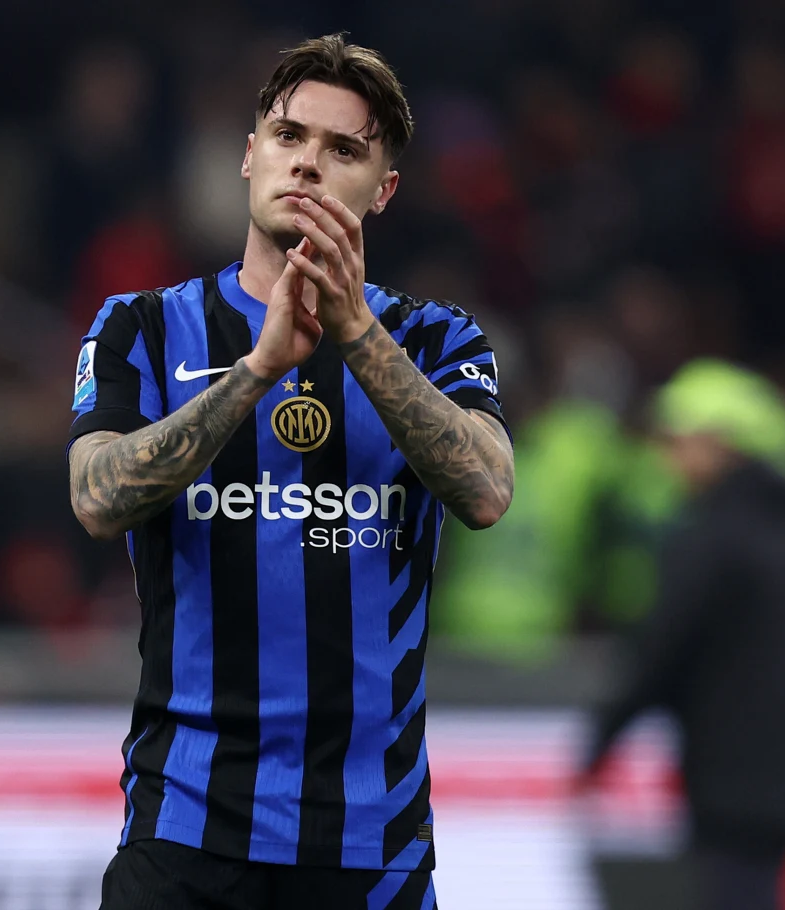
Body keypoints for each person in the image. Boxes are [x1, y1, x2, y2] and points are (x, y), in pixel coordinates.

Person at [67, 33, 515, 910]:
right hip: (185, 829)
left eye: (344, 149)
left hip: (369, 844)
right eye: (288, 136)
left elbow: (487, 491)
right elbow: (95, 496)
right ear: (249, 156)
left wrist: (356, 336)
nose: (308, 163)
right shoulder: (140, 328)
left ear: (382, 191)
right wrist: (255, 372)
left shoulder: (438, 340)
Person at [578, 360, 785, 910]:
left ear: (720, 444)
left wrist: (598, 746)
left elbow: (660, 657)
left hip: (725, 799)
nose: (667, 458)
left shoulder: (707, 538)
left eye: (678, 441)